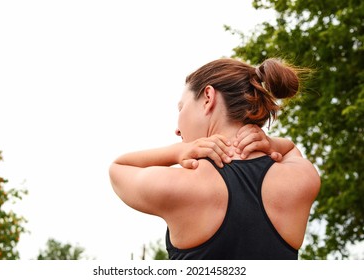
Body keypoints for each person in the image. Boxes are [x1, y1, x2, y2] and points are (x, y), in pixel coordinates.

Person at [109, 57, 321, 260]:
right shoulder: (300, 178)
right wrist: (274, 144)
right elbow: (292, 150)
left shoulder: (180, 185)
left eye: (181, 107)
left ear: (208, 98)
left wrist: (177, 152)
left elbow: (118, 168)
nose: (177, 130)